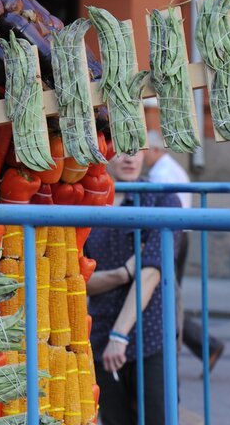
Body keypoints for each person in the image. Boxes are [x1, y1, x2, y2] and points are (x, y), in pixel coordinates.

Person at [83, 150, 180, 425]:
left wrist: (120, 336)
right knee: (114, 420)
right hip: (101, 336)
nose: (130, 158)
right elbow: (81, 281)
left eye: (137, 149)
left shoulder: (161, 199)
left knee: (159, 417)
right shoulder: (91, 204)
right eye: (121, 150)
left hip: (149, 337)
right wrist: (126, 272)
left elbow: (151, 272)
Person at [143, 131, 225, 373]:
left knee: (165, 296)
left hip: (171, 236)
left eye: (145, 149)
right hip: (177, 235)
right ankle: (204, 346)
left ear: (156, 149)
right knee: (167, 295)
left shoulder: (163, 174)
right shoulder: (169, 169)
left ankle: (205, 345)